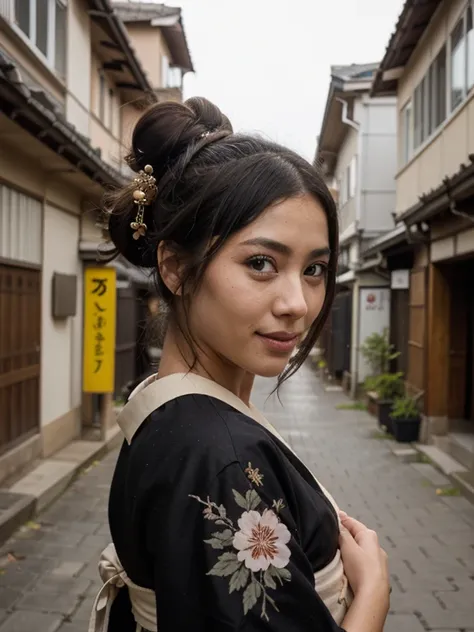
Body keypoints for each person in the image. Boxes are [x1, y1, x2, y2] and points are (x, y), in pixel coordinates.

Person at [90, 97, 390, 632]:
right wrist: (372, 596)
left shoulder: (163, 409)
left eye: (315, 268)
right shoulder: (220, 458)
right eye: (261, 263)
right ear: (177, 268)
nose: (297, 302)